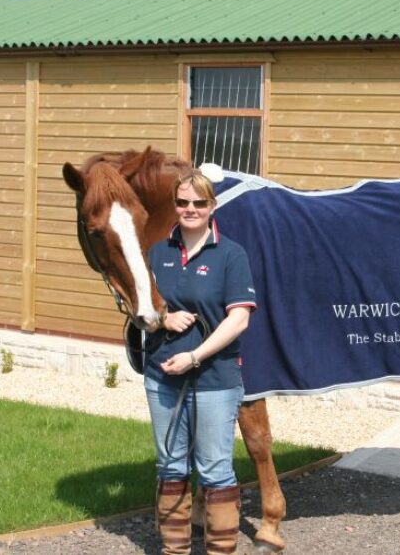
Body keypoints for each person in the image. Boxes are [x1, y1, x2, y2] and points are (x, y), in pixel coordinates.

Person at [145, 167, 256, 555]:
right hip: (162, 377)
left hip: (215, 378)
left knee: (214, 469)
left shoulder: (231, 254)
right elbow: (138, 310)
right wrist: (163, 319)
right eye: (182, 202)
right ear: (174, 206)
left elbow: (239, 318)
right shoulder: (157, 253)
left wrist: (194, 356)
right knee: (171, 467)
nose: (189, 209)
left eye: (198, 202)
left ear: (212, 206)